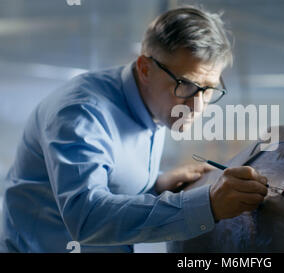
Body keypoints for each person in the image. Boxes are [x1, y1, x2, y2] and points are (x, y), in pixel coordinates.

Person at [0, 6, 268, 253]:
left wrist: (154, 186)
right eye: (186, 84)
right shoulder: (82, 113)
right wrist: (208, 205)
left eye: (208, 89)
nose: (197, 105)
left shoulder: (155, 102)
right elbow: (86, 217)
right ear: (144, 68)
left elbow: (107, 182)